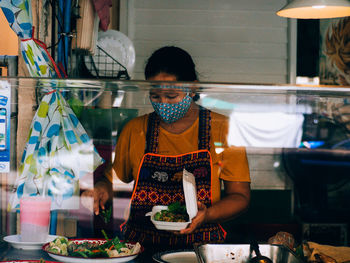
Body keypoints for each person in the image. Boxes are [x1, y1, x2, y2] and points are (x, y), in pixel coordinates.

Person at [82, 46, 251, 249]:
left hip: (201, 247)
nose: (163, 103)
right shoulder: (135, 130)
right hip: (141, 247)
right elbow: (113, 180)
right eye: (155, 96)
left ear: (193, 87)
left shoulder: (224, 129)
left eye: (171, 96)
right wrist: (100, 190)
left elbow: (240, 196)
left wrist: (207, 215)